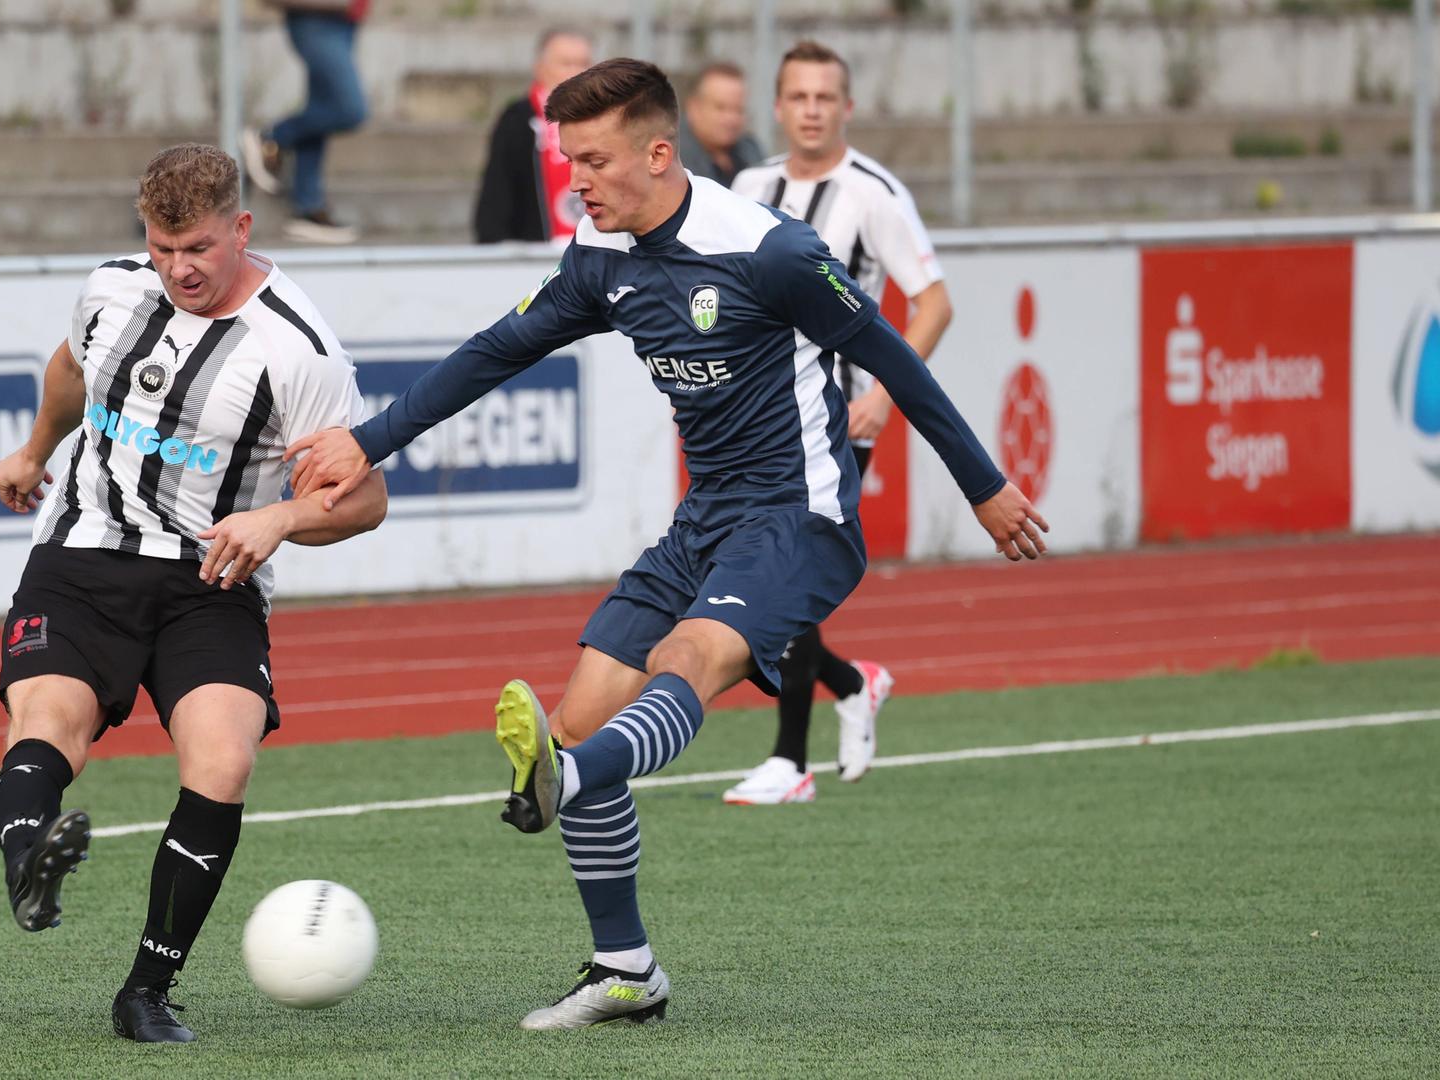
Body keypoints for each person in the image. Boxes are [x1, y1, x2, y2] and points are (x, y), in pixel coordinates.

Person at [286, 59, 1044, 1028]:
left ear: (658, 151)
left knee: (683, 661)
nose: (576, 185)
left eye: (593, 162)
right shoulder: (599, 258)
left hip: (799, 518)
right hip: (704, 520)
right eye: (569, 162)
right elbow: (492, 353)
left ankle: (566, 785)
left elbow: (892, 355)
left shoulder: (770, 251)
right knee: (579, 716)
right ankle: (626, 968)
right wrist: (366, 440)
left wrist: (984, 488)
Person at [0, 144, 387, 1044]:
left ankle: (145, 993)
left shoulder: (296, 348)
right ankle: (29, 863)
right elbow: (68, 369)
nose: (180, 269)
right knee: (49, 723)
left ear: (241, 228)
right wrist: (35, 451)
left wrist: (279, 520)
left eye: (199, 248)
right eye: (163, 248)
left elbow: (363, 498)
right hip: (80, 557)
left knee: (223, 761)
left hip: (209, 583)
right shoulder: (112, 290)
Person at [725, 39, 955, 805]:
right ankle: (853, 683)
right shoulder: (750, 183)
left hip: (837, 417)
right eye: (799, 97)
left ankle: (791, 764)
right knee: (750, 574)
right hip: (755, 417)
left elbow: (934, 303)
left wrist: (887, 394)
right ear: (779, 107)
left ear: (846, 108)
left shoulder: (873, 192)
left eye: (827, 98)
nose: (813, 110)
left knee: (784, 576)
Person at [241, 1, 372, 245]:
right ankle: (271, 138)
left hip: (342, 21)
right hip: (318, 19)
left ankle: (308, 208)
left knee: (321, 107)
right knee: (350, 110)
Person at [472, 27, 594, 244]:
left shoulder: (606, 121)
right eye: (566, 63)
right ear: (540, 68)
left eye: (583, 64)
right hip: (536, 251)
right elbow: (497, 195)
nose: (576, 73)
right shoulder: (518, 120)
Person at [678, 62, 762, 188]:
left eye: (738, 110)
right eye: (721, 108)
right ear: (693, 108)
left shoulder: (751, 150)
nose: (731, 119)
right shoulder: (673, 160)